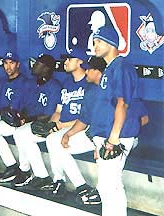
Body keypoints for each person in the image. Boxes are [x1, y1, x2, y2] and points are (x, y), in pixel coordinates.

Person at [86, 26, 139, 216]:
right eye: (94, 42)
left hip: (117, 135)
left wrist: (112, 139)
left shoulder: (122, 66)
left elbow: (122, 104)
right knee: (106, 186)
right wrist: (98, 140)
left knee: (110, 185)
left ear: (111, 43)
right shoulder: (110, 68)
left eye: (99, 41)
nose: (95, 46)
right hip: (106, 135)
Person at [44, 50, 100, 199]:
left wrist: (62, 127)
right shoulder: (67, 83)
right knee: (51, 138)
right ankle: (59, 180)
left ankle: (79, 185)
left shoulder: (90, 84)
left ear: (80, 62)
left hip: (82, 128)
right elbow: (58, 111)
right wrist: (51, 125)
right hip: (67, 127)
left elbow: (88, 118)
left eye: (69, 59)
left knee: (58, 144)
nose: (65, 62)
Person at [2, 54, 62, 189]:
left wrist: (26, 119)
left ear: (46, 68)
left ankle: (30, 172)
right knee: (21, 134)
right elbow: (27, 107)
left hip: (47, 124)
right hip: (32, 121)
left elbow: (49, 114)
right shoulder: (34, 83)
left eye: (38, 64)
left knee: (21, 133)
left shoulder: (54, 86)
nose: (34, 65)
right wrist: (19, 115)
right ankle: (37, 174)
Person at [0, 50, 31, 182]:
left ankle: (16, 168)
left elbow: (17, 109)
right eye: (5, 63)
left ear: (18, 65)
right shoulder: (2, 82)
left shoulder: (24, 82)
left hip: (18, 120)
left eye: (11, 63)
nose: (8, 66)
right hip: (4, 117)